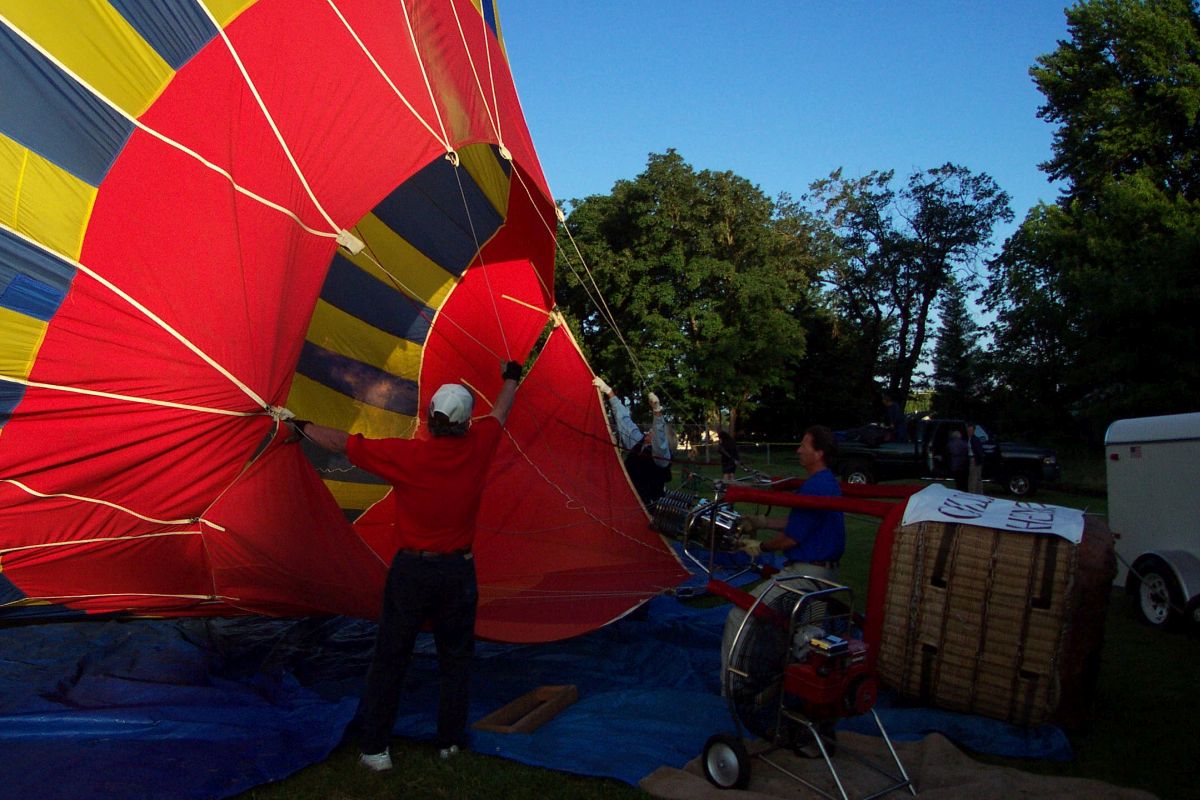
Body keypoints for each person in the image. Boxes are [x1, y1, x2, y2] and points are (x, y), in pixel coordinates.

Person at [290, 359, 523, 771]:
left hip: (412, 573)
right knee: (456, 657)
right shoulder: (481, 443)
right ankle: (450, 742)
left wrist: (299, 425)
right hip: (457, 572)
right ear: (467, 422)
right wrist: (512, 377)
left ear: (430, 417)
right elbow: (501, 411)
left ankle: (375, 749)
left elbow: (344, 443)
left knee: (391, 657)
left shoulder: (407, 456)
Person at [740, 425, 845, 582]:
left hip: (807, 573)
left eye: (803, 445)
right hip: (822, 570)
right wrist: (762, 522)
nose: (798, 450)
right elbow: (803, 522)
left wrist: (760, 546)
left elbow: (790, 539)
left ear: (819, 454)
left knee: (747, 607)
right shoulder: (825, 481)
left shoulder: (815, 487)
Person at [593, 376, 671, 509]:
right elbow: (624, 420)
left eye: (653, 431)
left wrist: (657, 411)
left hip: (648, 508)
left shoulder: (662, 457)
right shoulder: (638, 442)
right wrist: (608, 391)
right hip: (626, 502)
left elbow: (660, 440)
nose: (649, 431)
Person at [966, 423, 985, 494]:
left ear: (973, 431)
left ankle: (972, 492)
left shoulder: (975, 440)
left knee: (974, 477)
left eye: (971, 430)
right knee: (976, 477)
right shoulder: (969, 439)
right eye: (968, 430)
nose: (969, 432)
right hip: (972, 458)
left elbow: (979, 451)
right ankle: (978, 492)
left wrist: (978, 460)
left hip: (974, 459)